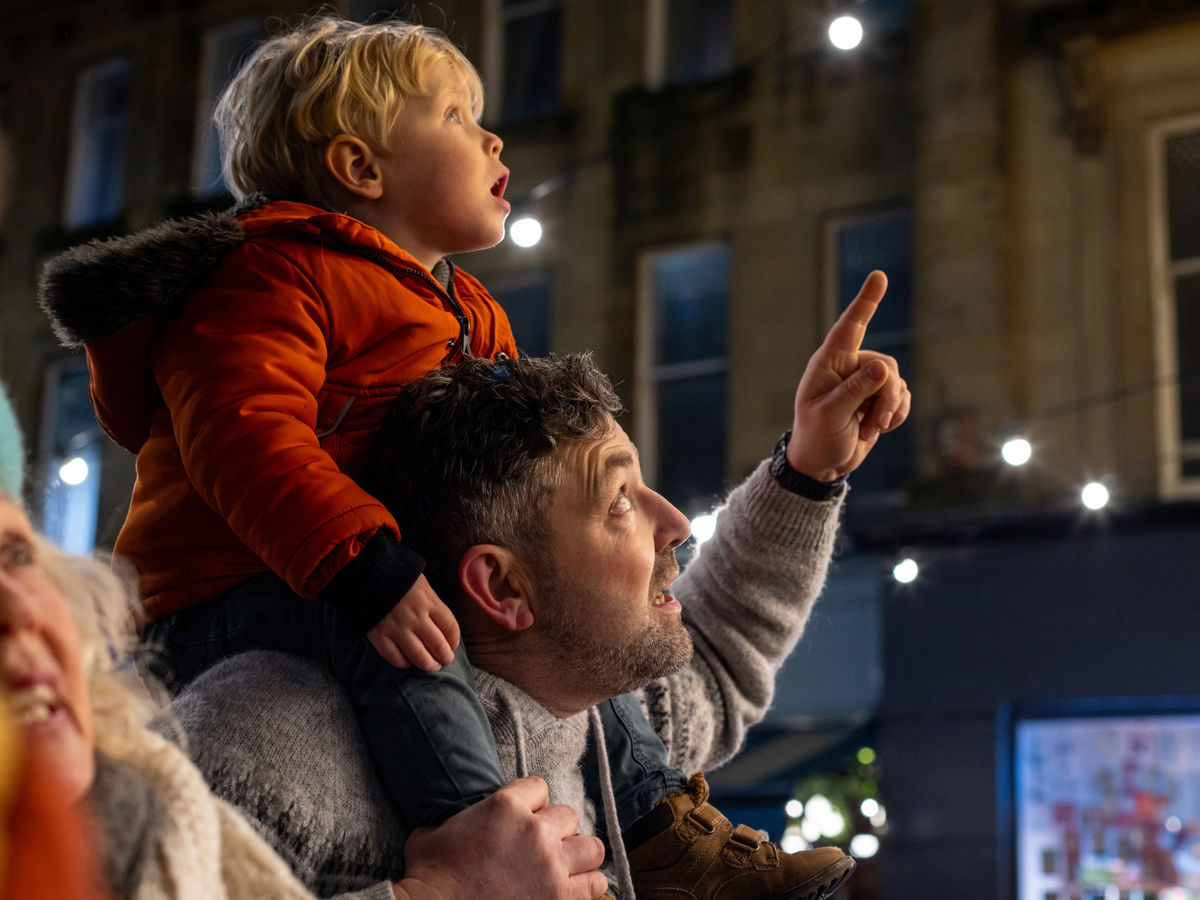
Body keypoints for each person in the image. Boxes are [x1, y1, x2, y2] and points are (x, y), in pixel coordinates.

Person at [35, 13, 890, 898]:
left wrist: (811, 469)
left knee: (555, 655)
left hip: (365, 572)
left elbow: (691, 640)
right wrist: (368, 571)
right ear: (360, 168)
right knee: (407, 648)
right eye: (452, 116)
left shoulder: (469, 311)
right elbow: (246, 437)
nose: (492, 137)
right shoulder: (267, 278)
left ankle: (658, 828)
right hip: (231, 591)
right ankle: (487, 826)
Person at [168, 278, 910, 899]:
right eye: (619, 501)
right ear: (501, 585)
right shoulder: (262, 738)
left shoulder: (591, 711)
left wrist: (809, 472)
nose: (677, 524)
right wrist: (438, 896)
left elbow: (717, 664)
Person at [0, 385, 609, 900]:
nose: (20, 610)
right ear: (499, 584)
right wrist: (448, 889)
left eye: (16, 555)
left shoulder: (145, 791)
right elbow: (243, 428)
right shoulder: (233, 759)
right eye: (617, 501)